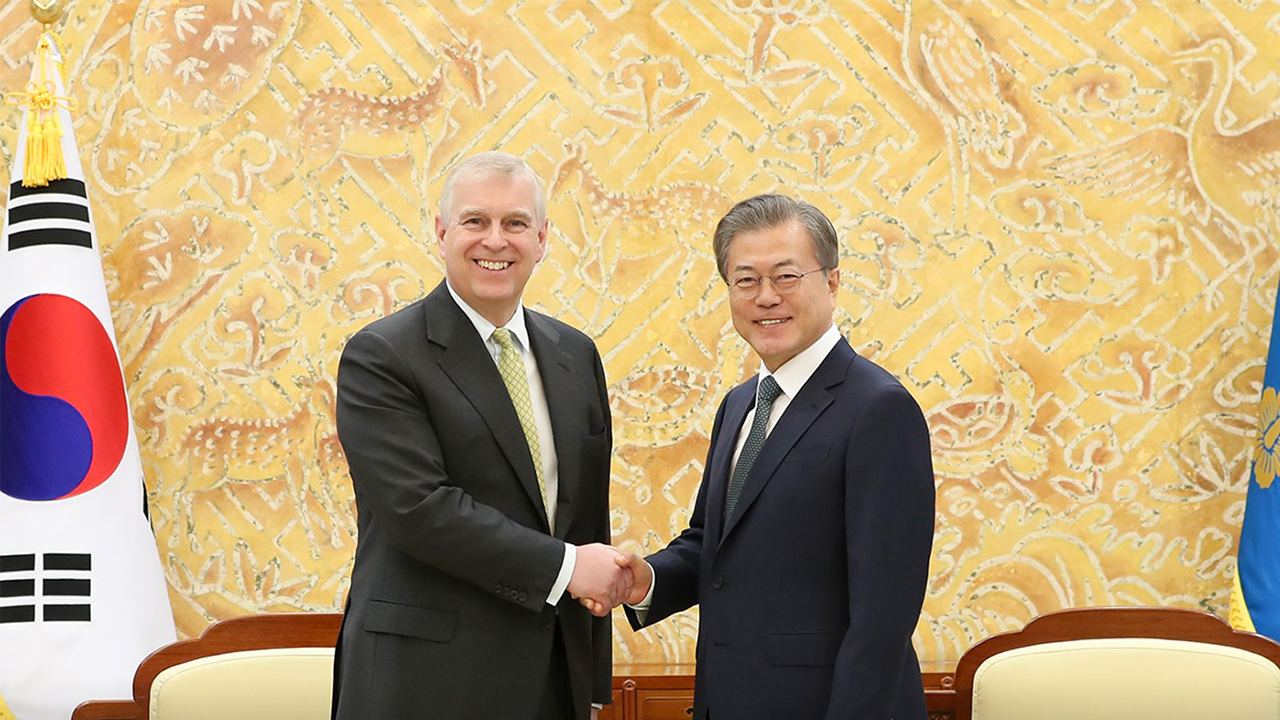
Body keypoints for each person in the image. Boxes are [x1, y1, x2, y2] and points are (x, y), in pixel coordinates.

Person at [609, 194, 936, 719]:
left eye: (786, 277)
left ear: (831, 282)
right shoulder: (741, 404)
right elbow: (715, 547)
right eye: (746, 280)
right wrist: (646, 579)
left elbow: (883, 617)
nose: (766, 297)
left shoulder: (879, 408)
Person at [331, 151, 628, 720]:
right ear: (442, 233)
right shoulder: (383, 354)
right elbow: (419, 509)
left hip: (550, 683)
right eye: (476, 222)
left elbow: (587, 517)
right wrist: (568, 568)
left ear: (541, 239)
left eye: (515, 223)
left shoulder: (575, 355)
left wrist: (590, 682)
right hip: (423, 685)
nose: (496, 240)